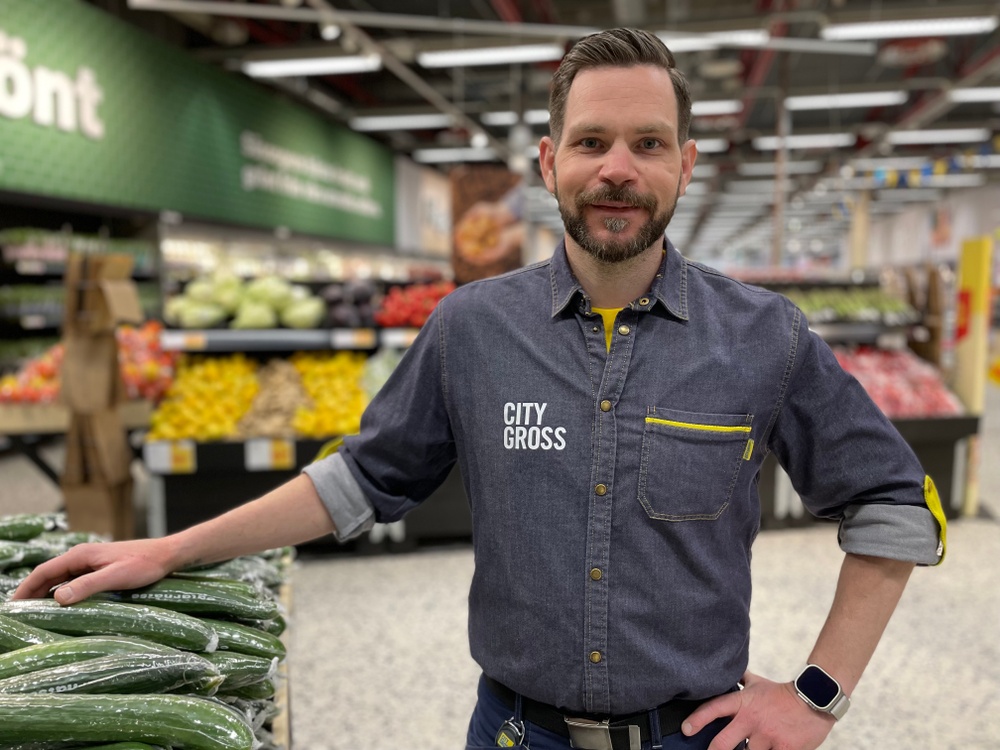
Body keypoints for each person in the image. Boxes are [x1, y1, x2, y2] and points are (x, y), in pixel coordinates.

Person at [15, 28, 946, 750]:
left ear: (685, 165)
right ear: (549, 164)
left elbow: (894, 505)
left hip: (694, 732)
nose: (617, 167)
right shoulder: (471, 329)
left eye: (648, 142)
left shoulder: (765, 337)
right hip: (511, 730)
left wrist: (820, 694)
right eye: (590, 142)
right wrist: (171, 550)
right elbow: (358, 482)